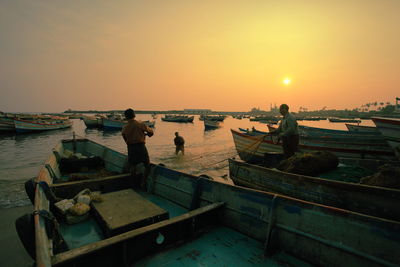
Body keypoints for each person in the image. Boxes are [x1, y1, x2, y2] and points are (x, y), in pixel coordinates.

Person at [122, 108, 154, 189]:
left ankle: (134, 183)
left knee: (133, 166)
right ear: (134, 115)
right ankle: (143, 182)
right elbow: (151, 132)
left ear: (126, 117)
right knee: (147, 165)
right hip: (140, 146)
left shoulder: (125, 127)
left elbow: (125, 138)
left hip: (131, 147)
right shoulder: (140, 124)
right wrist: (146, 134)